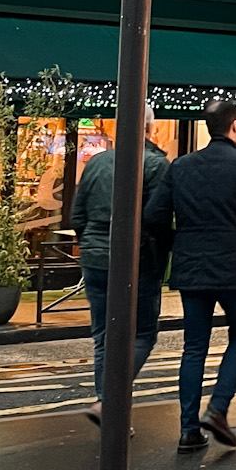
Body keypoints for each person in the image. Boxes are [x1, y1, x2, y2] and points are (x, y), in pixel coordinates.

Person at [143, 96, 236, 452]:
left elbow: (153, 216)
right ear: (235, 125)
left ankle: (189, 429)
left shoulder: (181, 167)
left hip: (192, 268)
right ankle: (218, 408)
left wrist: (177, 244)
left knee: (194, 347)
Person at [70, 108, 169, 429]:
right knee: (142, 335)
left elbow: (77, 215)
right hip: (137, 261)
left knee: (103, 336)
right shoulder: (156, 164)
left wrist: (91, 245)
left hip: (95, 259)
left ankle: (107, 404)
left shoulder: (97, 162)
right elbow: (157, 220)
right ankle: (108, 403)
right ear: (150, 129)